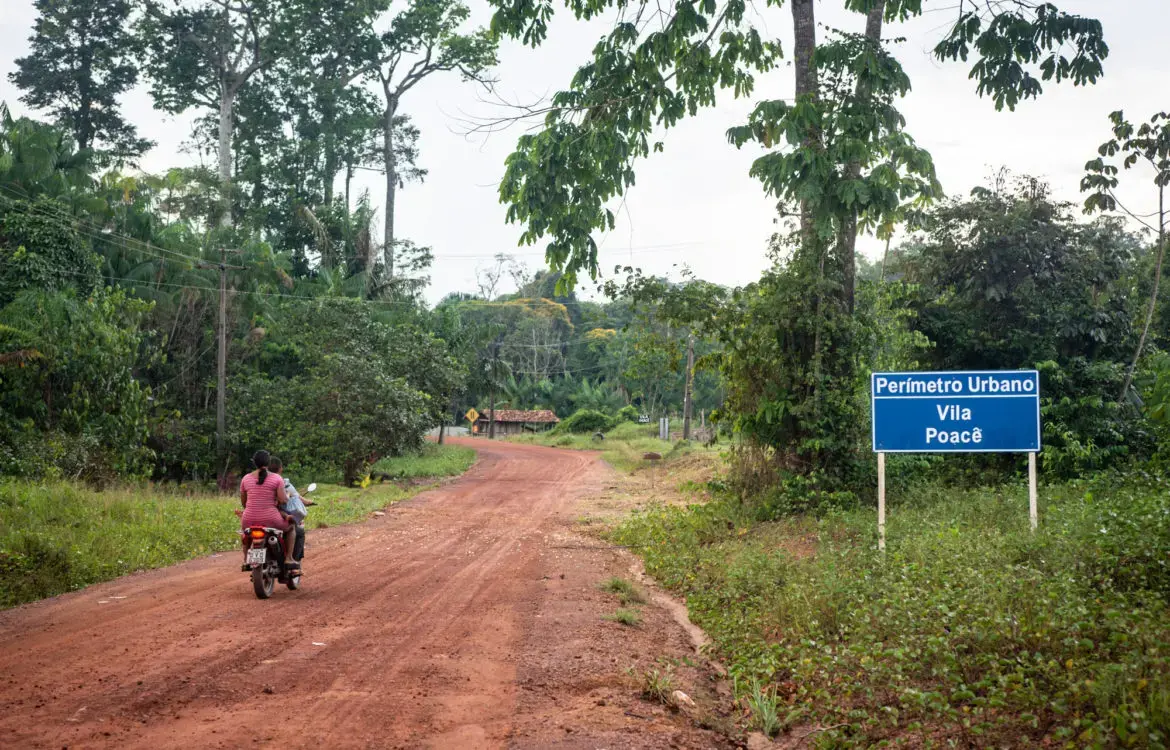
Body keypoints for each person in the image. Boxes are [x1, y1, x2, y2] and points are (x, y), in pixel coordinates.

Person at [239, 450, 299, 572]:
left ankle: (246, 559)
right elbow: (283, 500)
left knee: (246, 534)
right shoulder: (277, 478)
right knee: (292, 526)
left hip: (248, 519)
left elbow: (244, 503)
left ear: (254, 463)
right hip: (271, 519)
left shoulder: (245, 479)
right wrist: (285, 496)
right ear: (268, 462)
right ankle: (288, 558)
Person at [269, 456, 307, 563]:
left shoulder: (256, 480)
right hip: (274, 517)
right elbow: (284, 500)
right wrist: (288, 495)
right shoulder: (281, 482)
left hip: (253, 518)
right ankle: (291, 560)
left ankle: (246, 559)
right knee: (296, 530)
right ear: (280, 469)